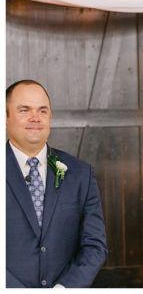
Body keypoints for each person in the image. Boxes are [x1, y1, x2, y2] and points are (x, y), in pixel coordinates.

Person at [6, 80, 107, 288]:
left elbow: (95, 245)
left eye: (43, 111)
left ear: (50, 117)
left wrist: (64, 289)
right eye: (24, 110)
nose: (35, 118)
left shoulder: (81, 174)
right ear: (5, 117)